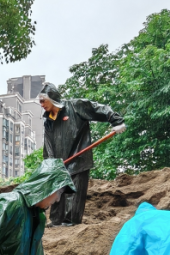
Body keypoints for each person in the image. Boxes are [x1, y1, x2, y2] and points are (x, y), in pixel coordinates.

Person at [38, 82, 124, 227]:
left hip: (78, 158)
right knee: (58, 191)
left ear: (52, 98)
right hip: (59, 163)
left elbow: (98, 109)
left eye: (43, 101)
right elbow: (48, 143)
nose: (41, 105)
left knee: (74, 191)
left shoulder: (75, 106)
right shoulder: (49, 120)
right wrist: (50, 163)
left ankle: (71, 220)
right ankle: (56, 220)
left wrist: (115, 120)